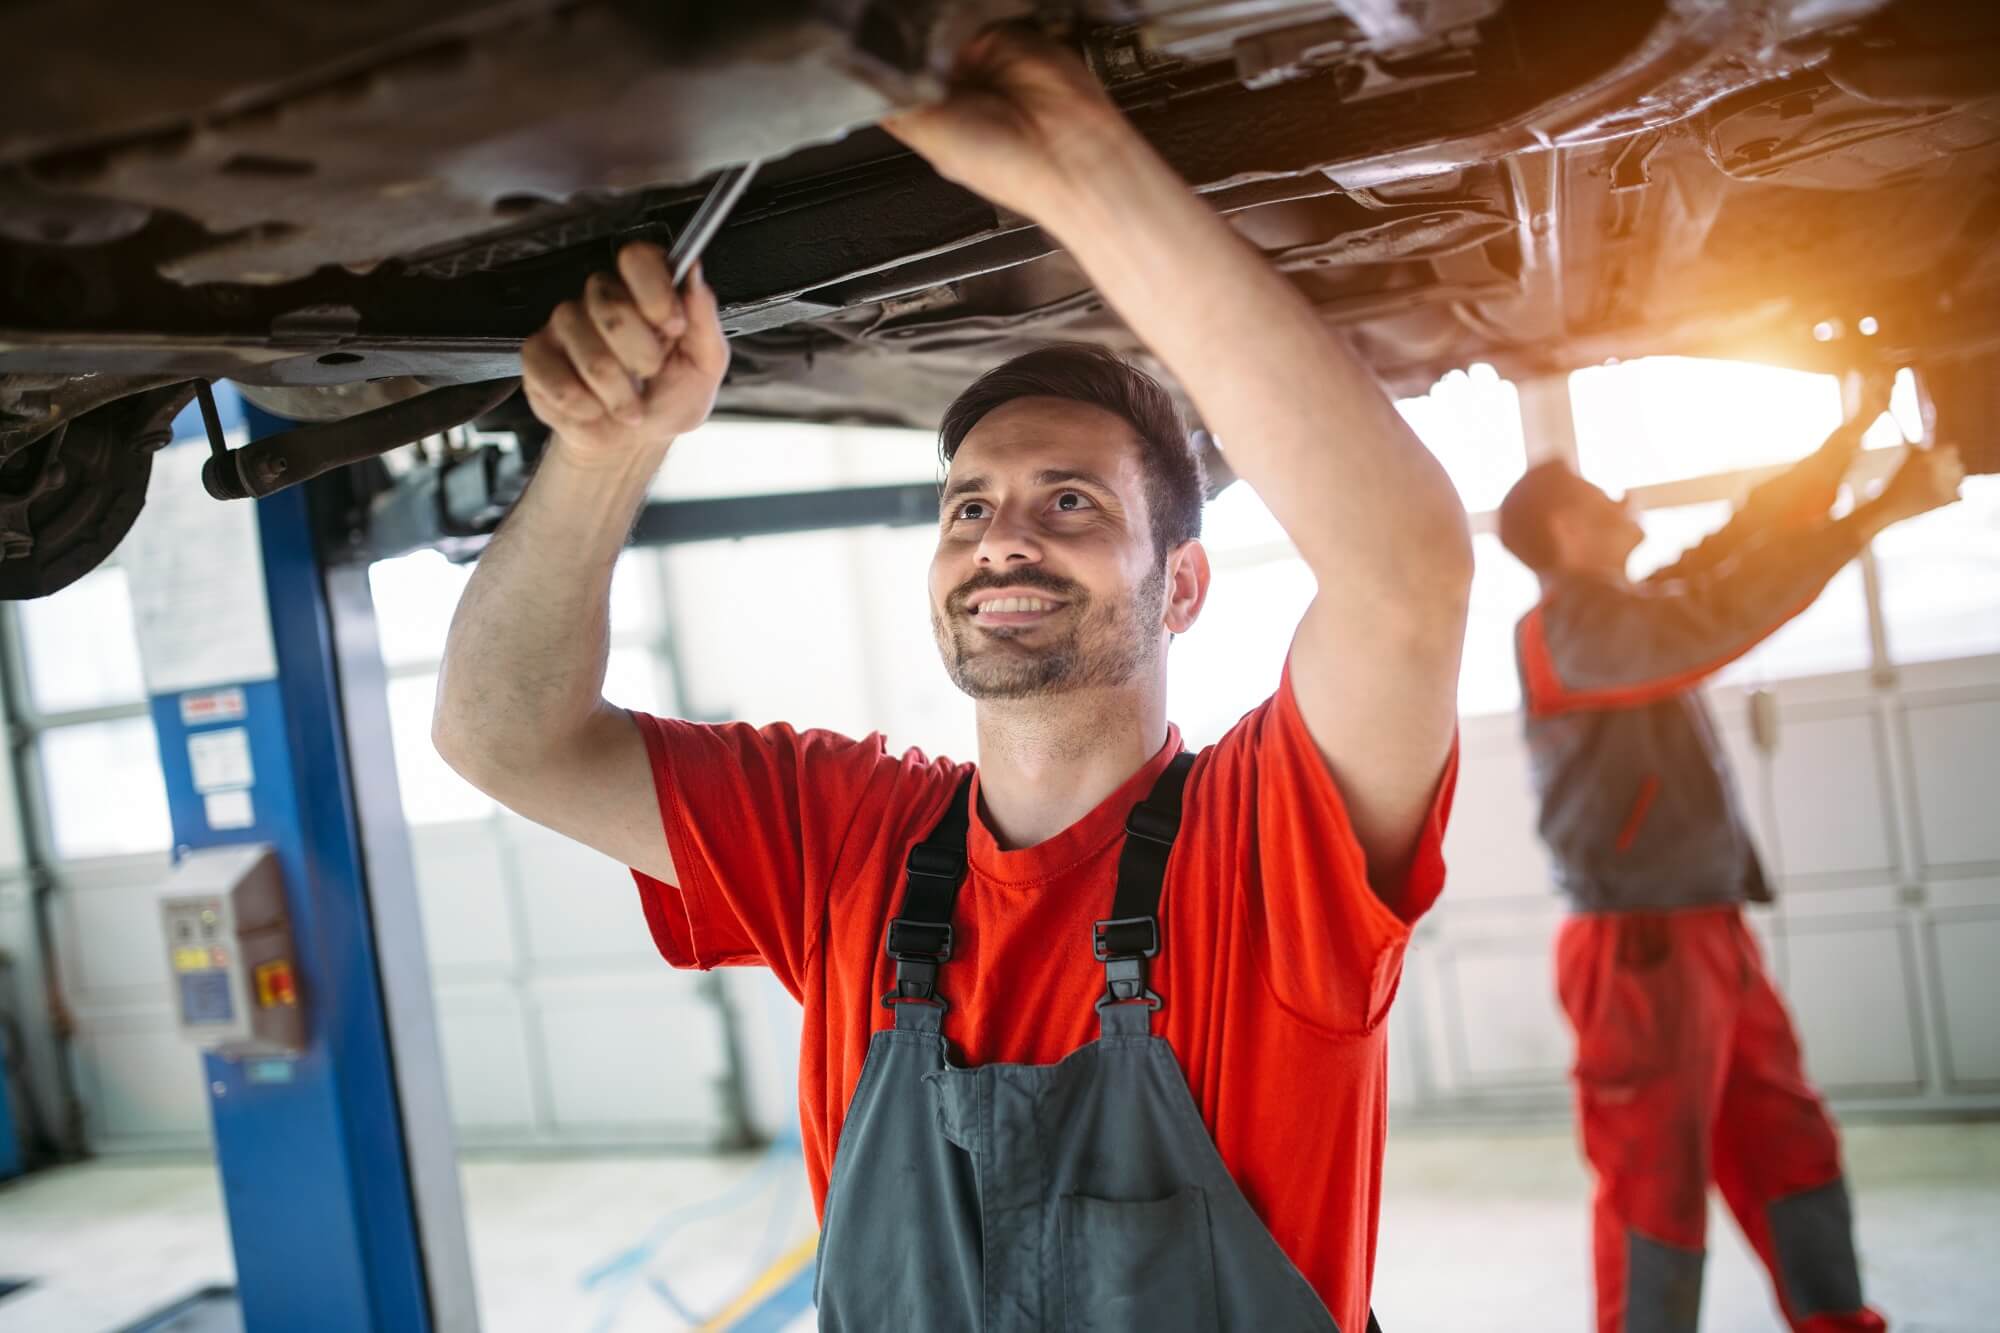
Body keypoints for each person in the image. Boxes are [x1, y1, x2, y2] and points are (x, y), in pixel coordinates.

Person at [434, 25, 1472, 1331]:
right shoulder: (845, 840)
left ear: (1185, 588)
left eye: (1072, 502)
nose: (1003, 538)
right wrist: (599, 452)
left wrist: (1080, 166)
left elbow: (1405, 573)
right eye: (967, 507)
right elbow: (499, 733)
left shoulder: (1266, 859)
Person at [1496, 381, 1965, 1333]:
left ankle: (1834, 1320)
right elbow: (1721, 613)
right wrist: (1873, 511)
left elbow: (1741, 545)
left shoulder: (1618, 605)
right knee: (1653, 1181)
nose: (1622, 503)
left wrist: (1853, 432)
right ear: (1565, 531)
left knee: (1787, 1134)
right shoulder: (1570, 631)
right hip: (1638, 949)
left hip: (1705, 927)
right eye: (1598, 497)